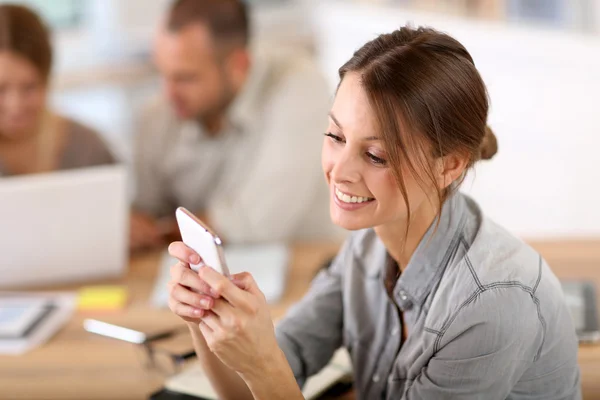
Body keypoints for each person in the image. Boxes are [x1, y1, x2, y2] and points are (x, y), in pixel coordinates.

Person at [166, 26, 581, 399]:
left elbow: (267, 374)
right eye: (335, 136)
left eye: (376, 155)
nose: (339, 171)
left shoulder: (491, 304)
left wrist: (262, 365)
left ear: (448, 166)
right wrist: (203, 317)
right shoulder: (366, 248)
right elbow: (245, 391)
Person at [130, 0, 335, 251]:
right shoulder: (160, 113)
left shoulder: (298, 86)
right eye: (163, 74)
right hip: (209, 272)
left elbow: (257, 222)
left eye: (186, 78)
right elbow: (145, 215)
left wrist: (165, 230)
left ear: (238, 65)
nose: (168, 93)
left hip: (305, 269)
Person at [0, 4, 115, 177]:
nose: (15, 105)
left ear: (47, 80)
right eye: (1, 89)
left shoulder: (88, 149)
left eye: (29, 87)